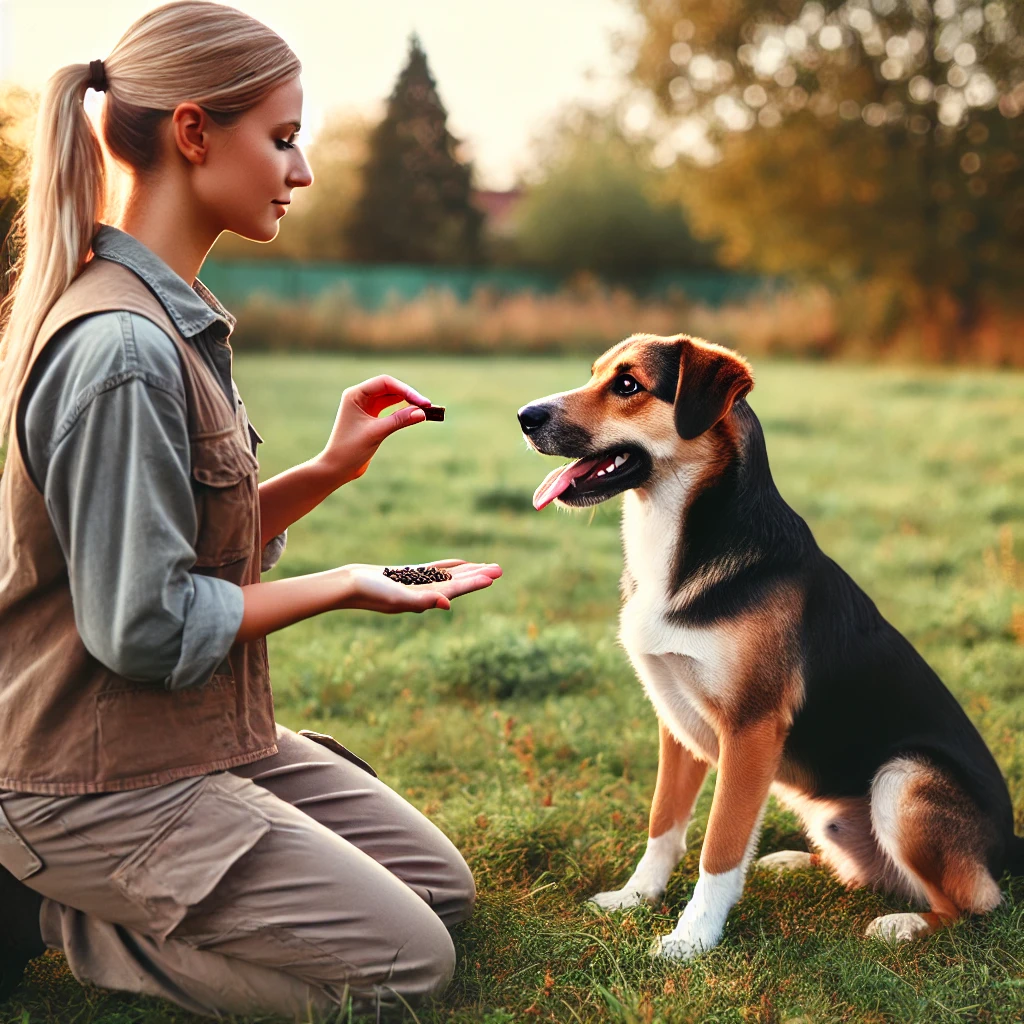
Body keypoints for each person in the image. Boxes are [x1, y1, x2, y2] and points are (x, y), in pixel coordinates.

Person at [0, 2, 502, 1018]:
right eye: (281, 138)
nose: (302, 170)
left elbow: (171, 549)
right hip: (88, 777)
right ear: (194, 133)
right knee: (401, 971)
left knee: (442, 895)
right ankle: (63, 907)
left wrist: (328, 471)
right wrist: (345, 585)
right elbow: (141, 626)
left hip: (179, 738)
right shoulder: (124, 350)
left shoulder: (169, 323)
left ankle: (131, 867)